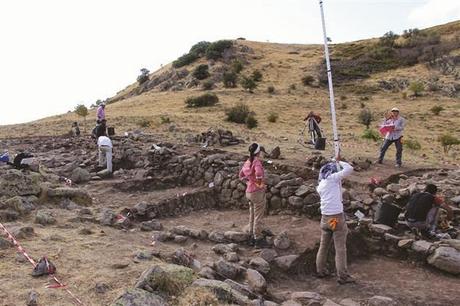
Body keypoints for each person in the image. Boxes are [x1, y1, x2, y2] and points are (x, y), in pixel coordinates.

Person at [316, 156, 355, 284]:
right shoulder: (333, 179)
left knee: (323, 246)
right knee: (340, 248)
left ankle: (320, 270)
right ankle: (343, 276)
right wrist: (338, 161)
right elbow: (349, 169)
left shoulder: (320, 185)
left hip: (325, 219)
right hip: (336, 218)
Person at [239, 143, 267, 247]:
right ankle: (258, 238)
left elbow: (241, 175)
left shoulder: (247, 162)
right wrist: (260, 184)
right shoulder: (257, 162)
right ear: (258, 152)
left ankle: (251, 235)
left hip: (248, 192)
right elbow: (259, 174)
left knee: (252, 215)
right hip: (257, 192)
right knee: (258, 216)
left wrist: (248, 182)